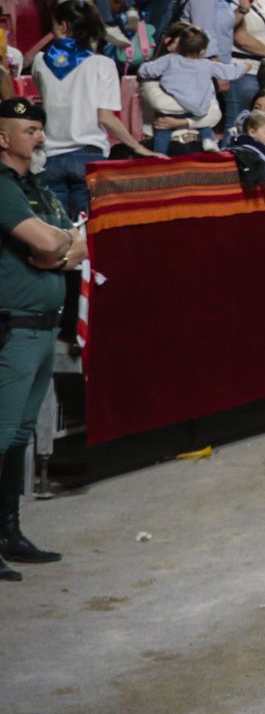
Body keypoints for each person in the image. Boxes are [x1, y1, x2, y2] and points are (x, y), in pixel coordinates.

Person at [0, 96, 86, 582]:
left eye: (39, 128)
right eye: (28, 130)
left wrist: (56, 249)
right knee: (1, 434)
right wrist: (56, 246)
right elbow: (50, 242)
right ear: (2, 138)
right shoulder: (3, 187)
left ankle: (8, 532)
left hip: (41, 324)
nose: (38, 137)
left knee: (16, 435)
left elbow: (76, 241)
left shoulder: (37, 187)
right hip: (12, 325)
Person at [32, 1, 157, 216]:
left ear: (63, 26)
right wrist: (138, 147)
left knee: (59, 236)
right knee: (90, 235)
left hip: (49, 158)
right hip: (88, 159)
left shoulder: (40, 61)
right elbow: (106, 118)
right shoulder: (102, 64)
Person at [138, 22, 246, 154]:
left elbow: (214, 115)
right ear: (169, 42)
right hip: (172, 144)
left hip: (196, 144)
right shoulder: (153, 79)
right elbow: (161, 104)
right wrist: (198, 105)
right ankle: (160, 155)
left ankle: (207, 140)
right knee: (163, 127)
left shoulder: (202, 73)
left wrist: (182, 123)